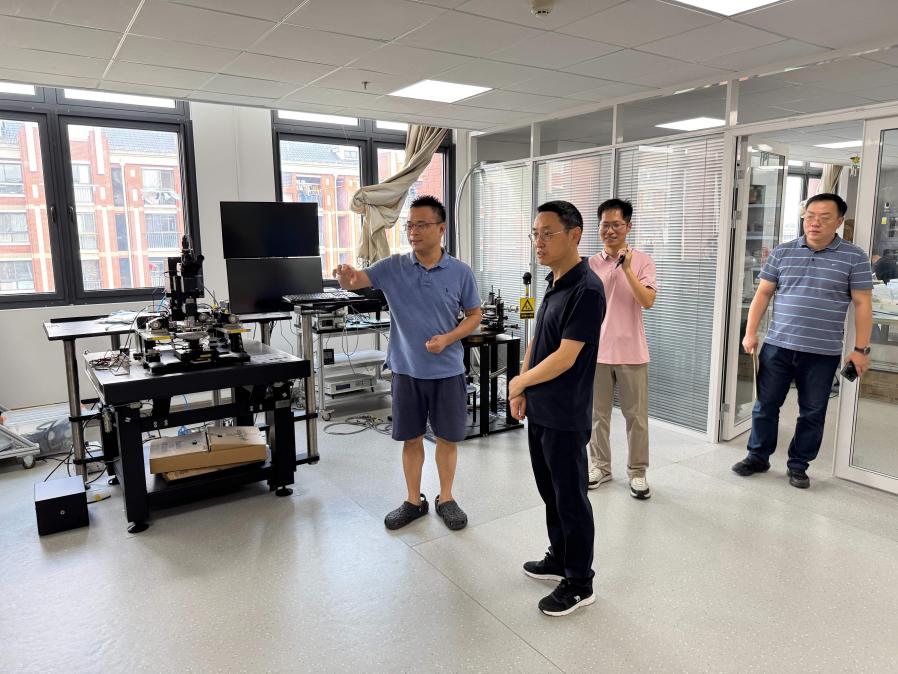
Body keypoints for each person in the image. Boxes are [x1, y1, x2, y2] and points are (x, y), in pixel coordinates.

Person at [333, 195, 482, 530]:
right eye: (410, 225)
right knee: (411, 439)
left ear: (441, 229)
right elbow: (357, 280)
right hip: (406, 370)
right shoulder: (393, 267)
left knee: (447, 439)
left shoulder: (460, 272)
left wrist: (448, 338)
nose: (413, 231)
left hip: (447, 372)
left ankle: (446, 498)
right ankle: (414, 501)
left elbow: (475, 315)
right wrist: (345, 277)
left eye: (422, 225)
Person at [733, 193, 873, 489]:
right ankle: (757, 456)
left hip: (822, 352)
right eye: (810, 216)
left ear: (839, 221)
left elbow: (863, 304)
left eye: (824, 217)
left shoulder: (855, 257)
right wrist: (750, 332)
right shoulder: (782, 253)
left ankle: (798, 465)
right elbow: (763, 294)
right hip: (777, 346)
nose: (814, 223)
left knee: (812, 412)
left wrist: (860, 350)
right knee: (765, 406)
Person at [509, 200, 606, 617]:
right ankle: (560, 558)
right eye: (535, 234)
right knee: (551, 493)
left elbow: (566, 357)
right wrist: (522, 387)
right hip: (541, 410)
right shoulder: (554, 282)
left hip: (566, 414)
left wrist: (520, 382)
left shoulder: (587, 289)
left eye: (548, 233)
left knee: (571, 500)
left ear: (575, 235)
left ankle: (580, 582)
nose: (539, 242)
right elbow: (539, 341)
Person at [586, 198, 657, 499]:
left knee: (636, 418)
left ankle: (637, 472)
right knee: (596, 416)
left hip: (632, 352)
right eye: (605, 225)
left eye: (616, 225)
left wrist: (627, 269)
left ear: (628, 227)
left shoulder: (643, 261)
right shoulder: (590, 264)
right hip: (597, 352)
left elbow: (648, 301)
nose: (610, 230)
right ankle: (600, 466)